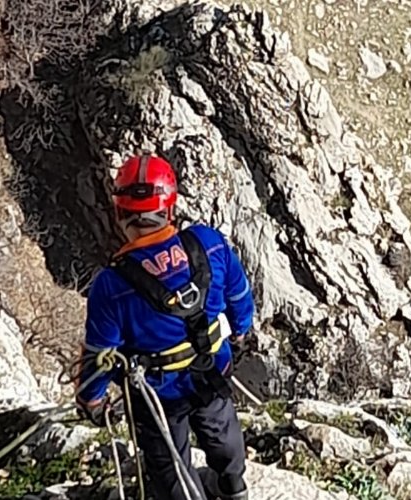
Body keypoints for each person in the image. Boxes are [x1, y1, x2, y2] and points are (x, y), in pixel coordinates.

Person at [75, 153, 255, 500]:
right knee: (222, 429)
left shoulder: (111, 286)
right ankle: (232, 484)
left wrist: (91, 401)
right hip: (212, 369)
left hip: (157, 395)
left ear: (119, 213)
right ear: (169, 208)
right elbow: (239, 294)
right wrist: (241, 329)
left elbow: (99, 355)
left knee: (169, 465)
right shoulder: (208, 242)